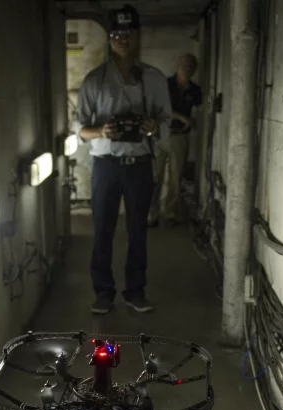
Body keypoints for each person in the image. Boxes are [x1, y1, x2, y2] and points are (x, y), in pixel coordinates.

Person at [73, 4, 172, 314]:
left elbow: (167, 120)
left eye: (128, 34)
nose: (123, 40)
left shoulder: (153, 79)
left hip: (139, 163)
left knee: (138, 231)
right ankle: (103, 292)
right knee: (102, 230)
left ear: (137, 36)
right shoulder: (95, 80)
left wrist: (153, 127)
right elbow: (78, 128)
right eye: (117, 34)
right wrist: (101, 131)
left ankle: (135, 291)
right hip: (106, 166)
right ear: (109, 38)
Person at [150, 54, 202, 227]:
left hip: (180, 137)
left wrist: (194, 121)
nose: (187, 69)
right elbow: (159, 108)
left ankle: (170, 213)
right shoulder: (165, 84)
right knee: (154, 176)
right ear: (178, 66)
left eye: (191, 66)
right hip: (160, 135)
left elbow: (201, 109)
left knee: (176, 177)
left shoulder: (195, 90)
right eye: (184, 65)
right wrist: (182, 117)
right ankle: (151, 214)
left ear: (194, 70)